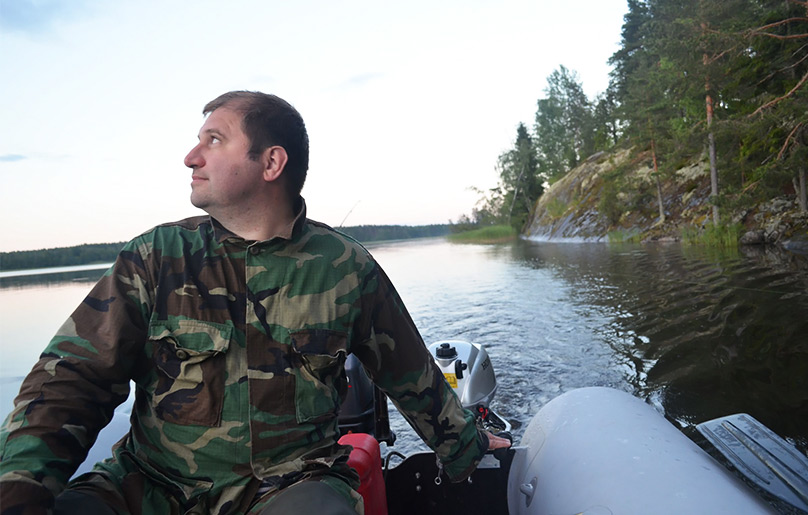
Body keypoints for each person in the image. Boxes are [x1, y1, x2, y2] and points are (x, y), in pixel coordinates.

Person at [0, 91, 510, 515]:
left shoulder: (346, 268)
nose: (191, 157)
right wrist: (17, 491)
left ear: (271, 162)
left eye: (213, 140)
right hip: (149, 484)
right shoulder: (155, 258)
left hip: (291, 483)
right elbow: (71, 380)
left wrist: (467, 449)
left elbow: (412, 377)